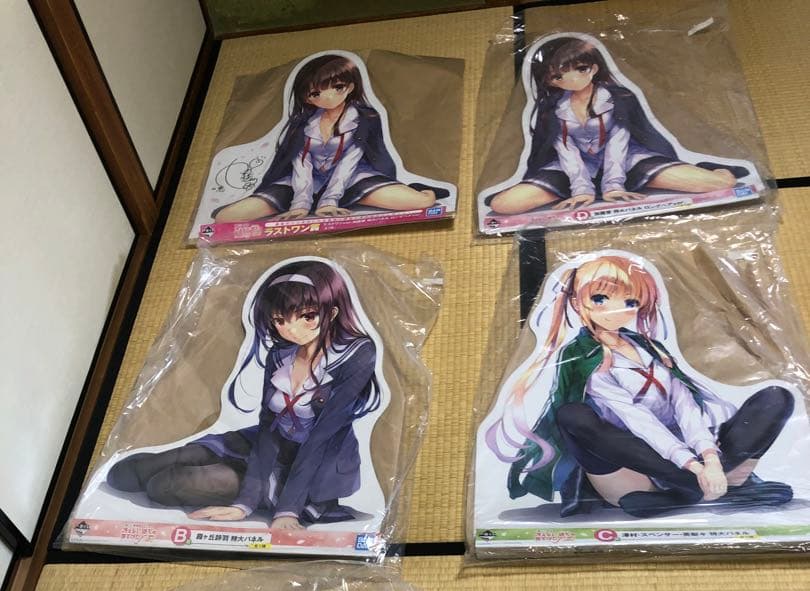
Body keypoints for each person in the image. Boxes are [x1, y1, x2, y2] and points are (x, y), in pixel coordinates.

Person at [486, 254, 795, 518]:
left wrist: (710, 460)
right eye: (600, 299)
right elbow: (637, 419)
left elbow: (684, 404)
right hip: (634, 463)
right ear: (579, 302)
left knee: (776, 398)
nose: (616, 310)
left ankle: (699, 489)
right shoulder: (583, 356)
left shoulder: (649, 346)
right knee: (573, 415)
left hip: (692, 451)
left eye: (630, 302)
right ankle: (695, 487)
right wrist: (692, 468)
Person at [107, 260, 383, 531]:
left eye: (307, 316)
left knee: (164, 485)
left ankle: (251, 488)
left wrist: (284, 510)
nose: (292, 329)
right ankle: (228, 472)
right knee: (129, 473)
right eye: (280, 320)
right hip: (263, 445)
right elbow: (267, 427)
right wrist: (246, 501)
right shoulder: (281, 354)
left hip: (313, 468)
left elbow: (321, 437)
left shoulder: (357, 355)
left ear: (331, 313)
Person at [485, 35, 752, 217]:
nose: (571, 79)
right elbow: (566, 150)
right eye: (558, 76)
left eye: (580, 69)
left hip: (627, 160)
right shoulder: (553, 109)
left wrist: (613, 186)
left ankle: (713, 170)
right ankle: (589, 188)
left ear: (593, 68)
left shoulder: (619, 99)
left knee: (719, 184)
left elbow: (618, 141)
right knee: (503, 205)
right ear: (549, 80)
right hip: (571, 169)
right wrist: (582, 190)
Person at [213, 53, 447, 223]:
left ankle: (415, 188)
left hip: (353, 177)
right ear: (307, 97)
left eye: (337, 87)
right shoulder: (302, 123)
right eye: (316, 93)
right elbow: (301, 163)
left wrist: (329, 201)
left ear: (350, 87)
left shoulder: (365, 119)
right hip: (301, 182)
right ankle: (312, 200)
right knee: (226, 218)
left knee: (423, 202)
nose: (327, 97)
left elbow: (350, 161)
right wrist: (300, 203)